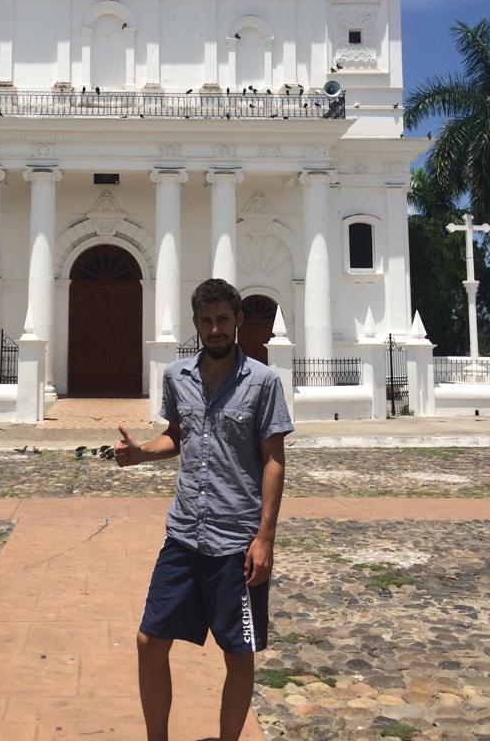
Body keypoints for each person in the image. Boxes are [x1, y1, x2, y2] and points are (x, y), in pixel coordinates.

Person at [115, 278, 294, 741]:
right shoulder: (178, 377)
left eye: (223, 320)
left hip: (237, 543)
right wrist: (141, 454)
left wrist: (265, 537)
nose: (215, 329)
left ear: (237, 321)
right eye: (206, 321)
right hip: (184, 535)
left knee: (238, 654)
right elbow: (178, 434)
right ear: (196, 324)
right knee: (149, 641)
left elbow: (274, 460)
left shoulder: (263, 381)